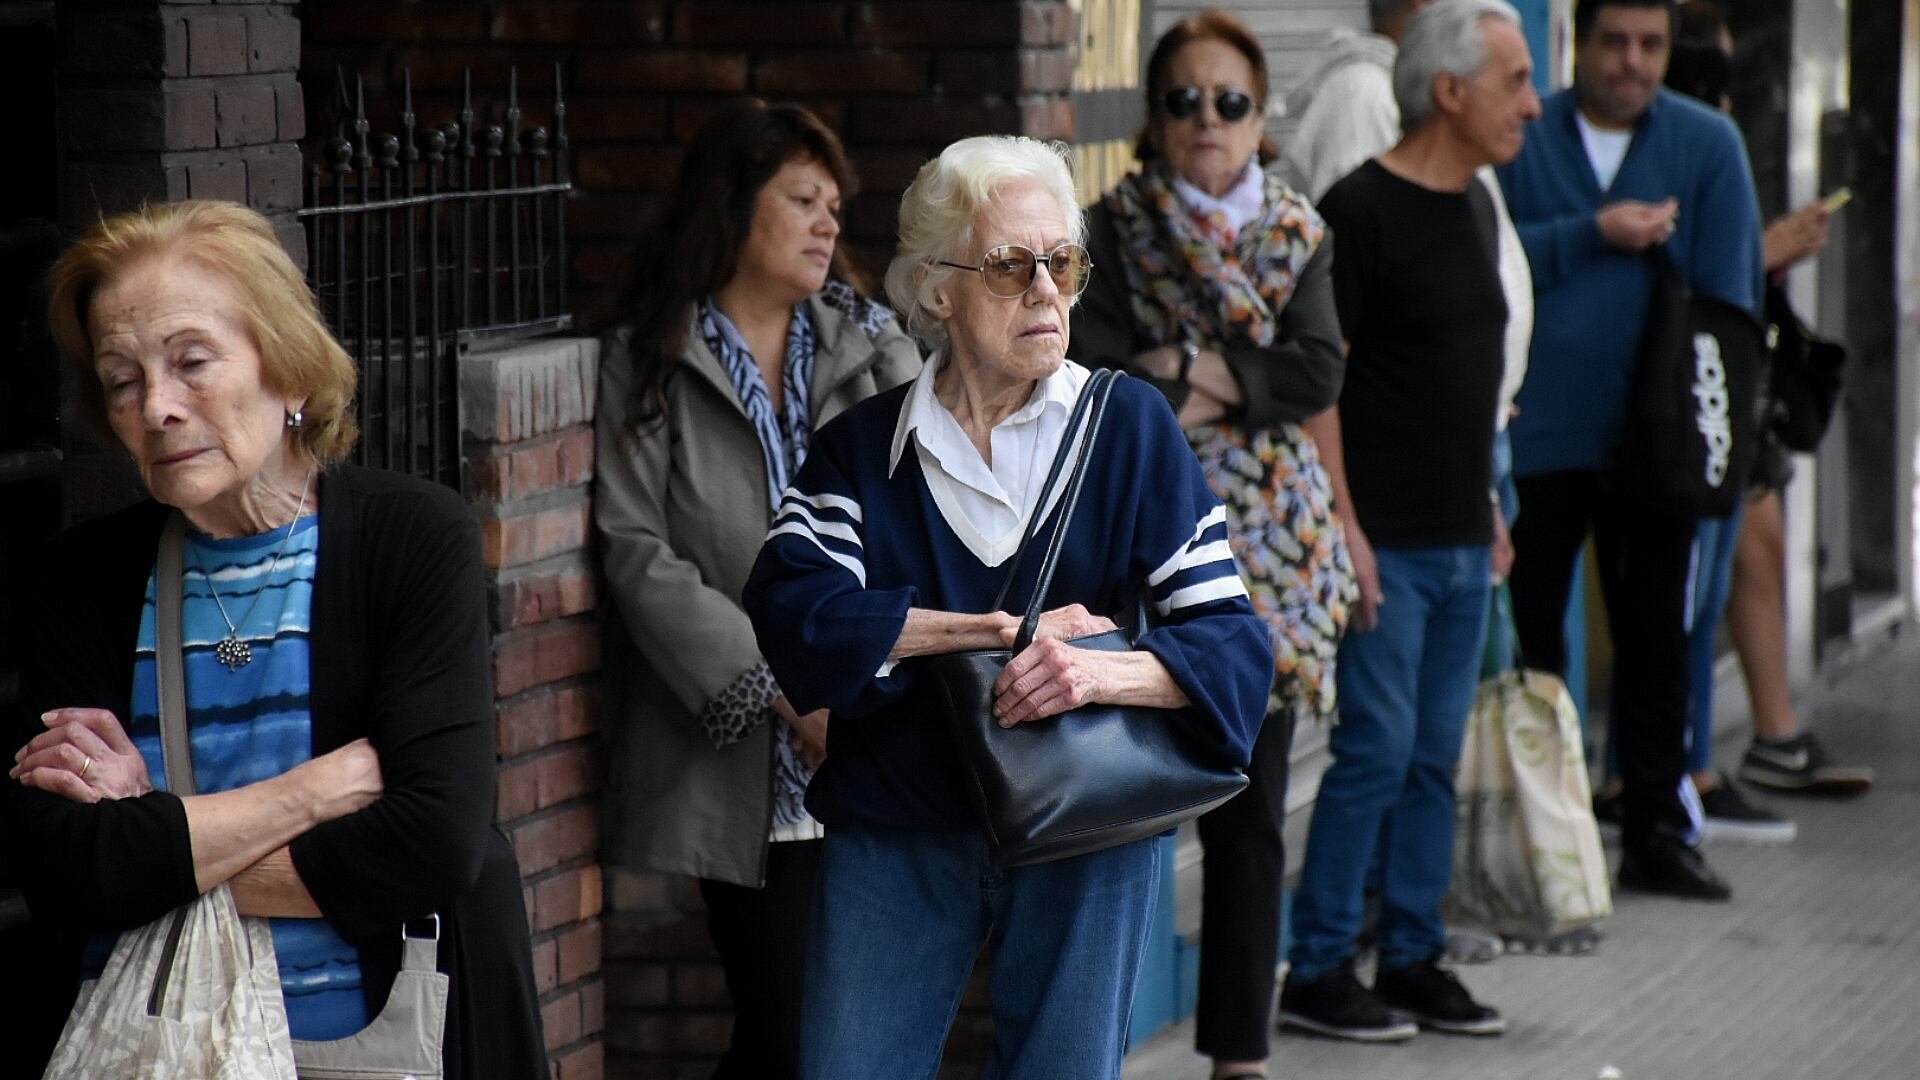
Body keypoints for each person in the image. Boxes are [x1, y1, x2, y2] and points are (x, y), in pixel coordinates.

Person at [741, 134, 1272, 1079]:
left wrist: (1093, 671)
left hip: (1088, 829)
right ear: (937, 288)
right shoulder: (863, 451)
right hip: (897, 829)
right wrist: (993, 637)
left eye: (1062, 262)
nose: (1045, 291)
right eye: (1009, 264)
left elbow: (1233, 647)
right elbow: (798, 616)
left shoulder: (1128, 430)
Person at [5, 199, 547, 1078]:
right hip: (163, 1054)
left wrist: (158, 841)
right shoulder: (82, 581)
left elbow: (435, 839)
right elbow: (66, 875)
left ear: (289, 369)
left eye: (191, 362)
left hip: (380, 1048)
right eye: (121, 379)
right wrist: (309, 793)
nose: (158, 407)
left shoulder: (412, 539)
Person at [592, 101, 921, 1078]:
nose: (828, 223)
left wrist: (854, 678)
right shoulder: (649, 359)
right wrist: (787, 688)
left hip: (871, 738)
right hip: (745, 759)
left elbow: (917, 524)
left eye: (835, 204)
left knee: (842, 1039)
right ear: (734, 207)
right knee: (788, 1030)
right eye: (803, 199)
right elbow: (635, 549)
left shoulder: (868, 347)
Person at [1068, 13, 1347, 1079]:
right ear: (1153, 116)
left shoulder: (1297, 230)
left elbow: (1319, 371)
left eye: (1229, 101)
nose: (1206, 121)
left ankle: (1240, 1052)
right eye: (1183, 100)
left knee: (1251, 811)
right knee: (1126, 797)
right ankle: (1095, 1035)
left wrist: (1185, 364)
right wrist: (1231, 371)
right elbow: (1102, 373)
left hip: (1272, 556)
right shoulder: (1110, 226)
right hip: (1145, 540)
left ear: (1262, 115)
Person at [1278, 0, 1538, 1043]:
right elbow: (1321, 383)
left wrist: (1486, 503)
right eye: (1515, 80)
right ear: (1450, 92)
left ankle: (1417, 955)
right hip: (1381, 538)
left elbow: (1464, 378)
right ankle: (1324, 963)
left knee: (1436, 753)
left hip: (1463, 537)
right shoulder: (1360, 210)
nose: (1532, 101)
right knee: (1377, 750)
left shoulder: (1477, 205)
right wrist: (1342, 523)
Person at [1495, 0, 1765, 900]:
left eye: (1651, 44)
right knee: (1533, 646)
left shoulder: (1707, 145)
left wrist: (1718, 448)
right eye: (1614, 42)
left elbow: (1732, 309)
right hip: (1537, 439)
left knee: (1659, 639)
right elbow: (1489, 261)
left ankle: (1656, 825)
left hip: (1661, 444)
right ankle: (1543, 834)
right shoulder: (1526, 136)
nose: (1633, 61)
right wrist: (1595, 234)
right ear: (1579, 43)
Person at [1662, 1, 1874, 830]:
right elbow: (1683, 277)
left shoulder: (1709, 144)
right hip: (1687, 404)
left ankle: (1744, 749)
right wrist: (1769, 250)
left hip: (1728, 396)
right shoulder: (1661, 149)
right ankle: (1689, 769)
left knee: (1744, 555)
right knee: (1695, 581)